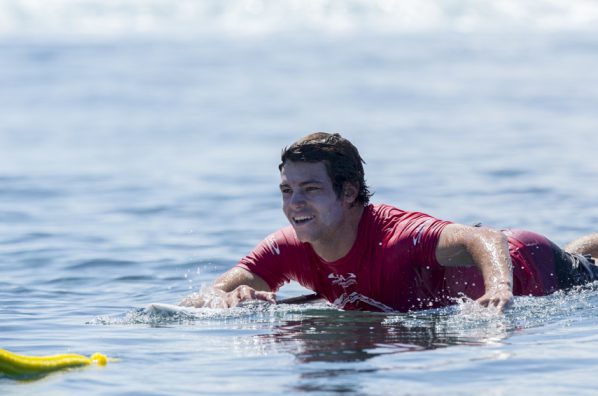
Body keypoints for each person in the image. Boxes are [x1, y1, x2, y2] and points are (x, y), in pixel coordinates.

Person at [180, 132, 598, 313]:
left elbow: (482, 237)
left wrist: (500, 291)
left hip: (533, 265)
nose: (295, 204)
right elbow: (212, 292)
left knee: (588, 272)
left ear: (348, 193)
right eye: (287, 191)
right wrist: (230, 300)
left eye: (310, 189)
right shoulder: (289, 246)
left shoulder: (397, 236)